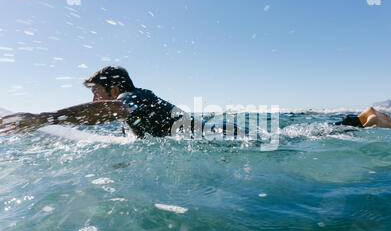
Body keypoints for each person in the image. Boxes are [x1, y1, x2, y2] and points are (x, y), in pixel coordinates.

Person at [0, 66, 234, 138]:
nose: (93, 100)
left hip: (224, 137)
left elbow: (116, 108)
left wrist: (45, 118)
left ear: (114, 89)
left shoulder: (134, 97)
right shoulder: (133, 113)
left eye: (96, 92)